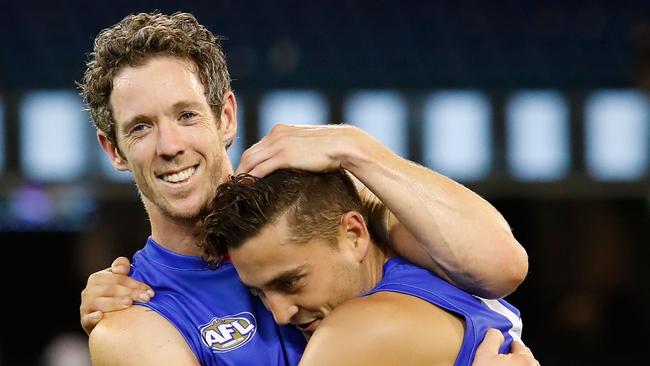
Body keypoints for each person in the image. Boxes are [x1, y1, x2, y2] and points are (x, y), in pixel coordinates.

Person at [78, 11, 530, 365]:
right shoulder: (134, 319)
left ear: (226, 117)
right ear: (113, 150)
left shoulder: (330, 212)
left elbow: (502, 267)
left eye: (187, 115)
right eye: (140, 128)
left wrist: (356, 149)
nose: (170, 145)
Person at [197, 169, 524, 365]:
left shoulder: (356, 330)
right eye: (260, 293)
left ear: (353, 235)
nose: (280, 314)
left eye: (290, 282)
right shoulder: (436, 267)